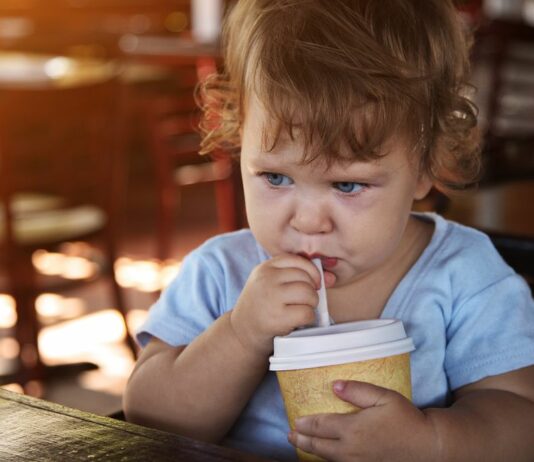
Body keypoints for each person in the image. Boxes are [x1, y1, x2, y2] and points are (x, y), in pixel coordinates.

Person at [123, 1, 534, 460]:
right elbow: (148, 417)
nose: (308, 220)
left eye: (347, 184)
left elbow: (520, 418)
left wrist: (430, 441)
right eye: (276, 177)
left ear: (424, 166)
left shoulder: (464, 273)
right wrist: (240, 334)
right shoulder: (221, 272)